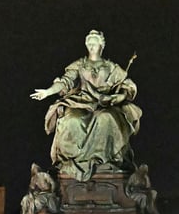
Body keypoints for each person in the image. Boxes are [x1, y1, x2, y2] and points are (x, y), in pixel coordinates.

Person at [30, 29, 141, 181]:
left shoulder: (111, 67)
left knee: (107, 119)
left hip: (105, 106)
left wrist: (118, 96)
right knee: (71, 121)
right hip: (80, 103)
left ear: (101, 45)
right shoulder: (79, 65)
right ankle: (71, 165)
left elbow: (128, 87)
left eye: (94, 42)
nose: (91, 45)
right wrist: (48, 92)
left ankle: (105, 163)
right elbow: (65, 82)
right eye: (89, 42)